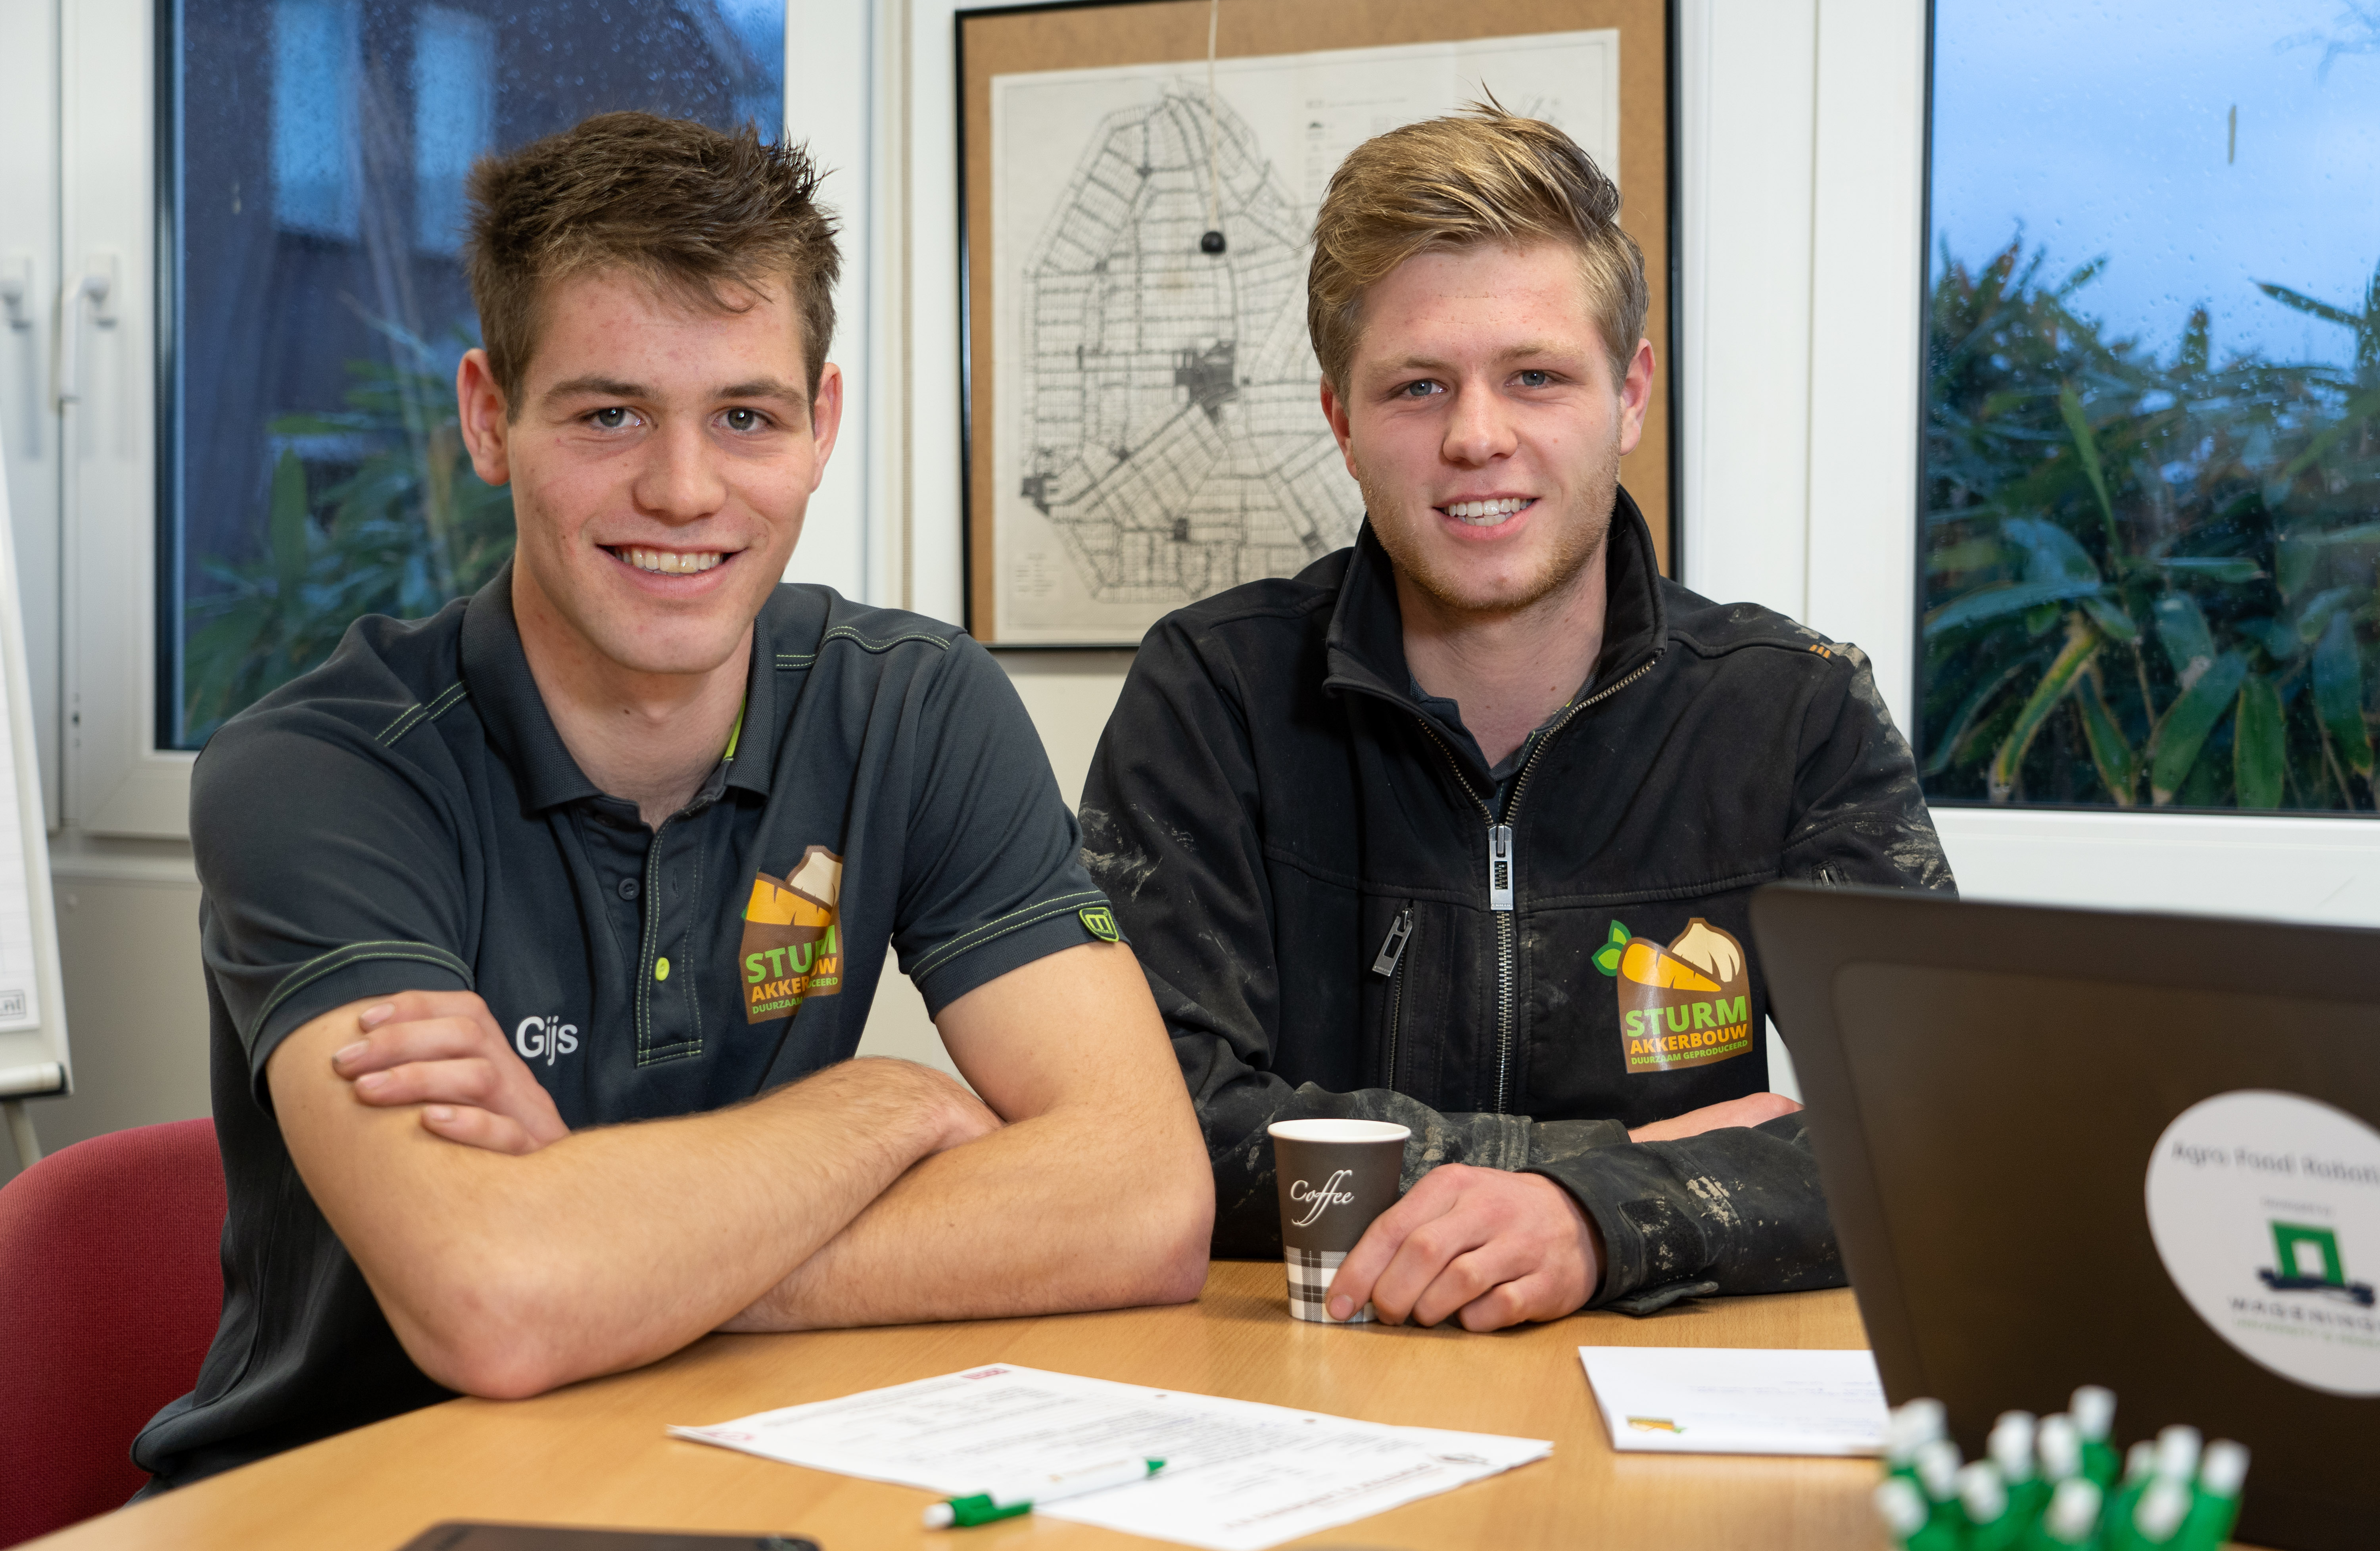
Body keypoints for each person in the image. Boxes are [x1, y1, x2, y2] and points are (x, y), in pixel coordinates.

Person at [135, 113, 1211, 1489]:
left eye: (745, 417)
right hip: (338, 1501)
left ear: (820, 427)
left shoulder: (915, 707)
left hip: (708, 1466)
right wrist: (879, 1111)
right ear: (488, 418)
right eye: (608, 414)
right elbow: (499, 1302)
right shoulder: (323, 773)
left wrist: (602, 1236)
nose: (684, 490)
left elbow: (1145, 1203)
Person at [1078, 102, 1952, 1334]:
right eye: (1416, 387)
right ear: (1340, 419)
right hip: (1299, 1389)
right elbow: (1151, 1129)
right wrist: (1597, 1173)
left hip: (1663, 1401)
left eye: (1536, 378)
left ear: (1630, 394)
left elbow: (1933, 1131)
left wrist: (1601, 1228)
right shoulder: (1210, 695)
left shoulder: (1795, 707)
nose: (1477, 437)